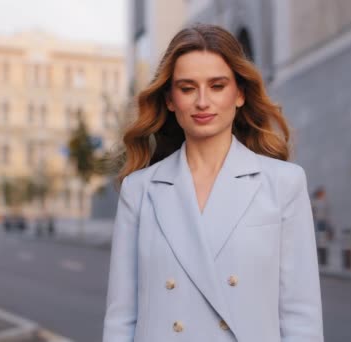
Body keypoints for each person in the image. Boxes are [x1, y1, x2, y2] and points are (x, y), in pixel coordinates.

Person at [103, 24, 323, 341]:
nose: (202, 101)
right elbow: (121, 318)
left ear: (240, 94)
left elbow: (301, 317)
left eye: (217, 86)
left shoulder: (283, 183)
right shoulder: (140, 190)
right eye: (188, 88)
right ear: (169, 99)